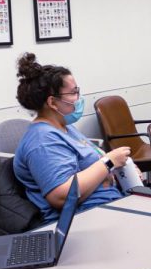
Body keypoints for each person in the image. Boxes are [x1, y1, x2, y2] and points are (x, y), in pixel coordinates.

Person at [13, 53, 131, 222]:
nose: (78, 98)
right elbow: (61, 196)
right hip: (85, 218)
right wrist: (109, 162)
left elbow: (95, 160)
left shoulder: (64, 127)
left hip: (109, 203)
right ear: (53, 102)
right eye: (73, 93)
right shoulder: (42, 141)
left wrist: (123, 168)